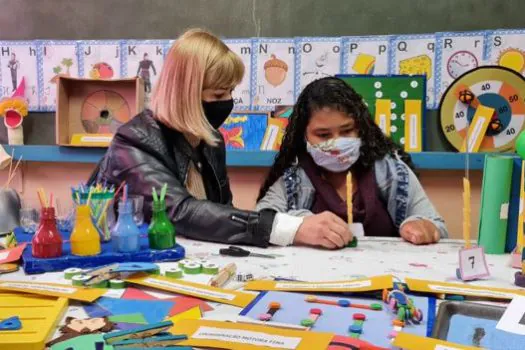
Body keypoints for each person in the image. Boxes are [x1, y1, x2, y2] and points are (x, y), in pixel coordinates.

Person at [88, 29, 298, 247]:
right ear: (186, 94)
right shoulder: (134, 141)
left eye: (231, 91)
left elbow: (222, 212)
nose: (227, 102)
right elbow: (180, 212)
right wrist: (282, 228)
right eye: (218, 95)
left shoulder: (210, 140)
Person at [256, 77, 448, 248]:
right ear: (304, 136)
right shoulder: (295, 179)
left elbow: (436, 224)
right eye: (323, 135)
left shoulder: (390, 171)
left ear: (360, 128)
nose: (338, 142)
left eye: (347, 131)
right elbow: (258, 221)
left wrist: (422, 227)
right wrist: (297, 226)